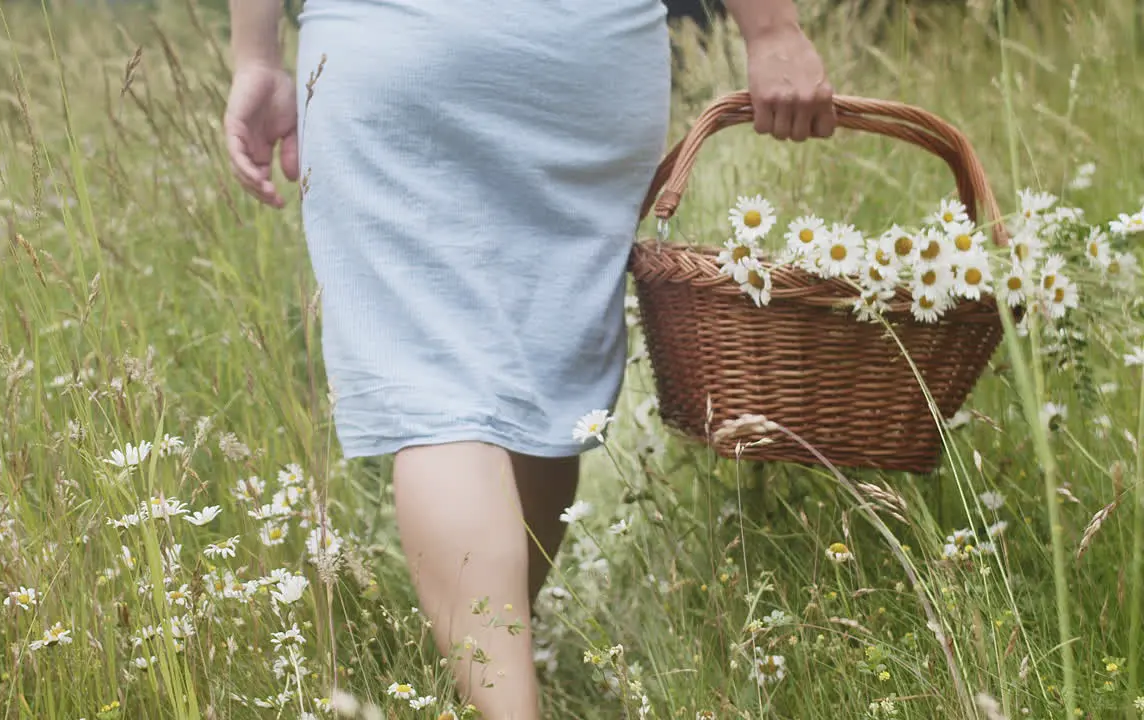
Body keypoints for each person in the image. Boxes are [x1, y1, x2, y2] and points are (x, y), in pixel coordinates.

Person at [224, 1, 834, 717]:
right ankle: (497, 658)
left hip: (396, 42)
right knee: (546, 369)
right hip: (589, 59)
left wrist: (256, 55)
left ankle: (500, 689)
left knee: (438, 393)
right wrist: (770, 29)